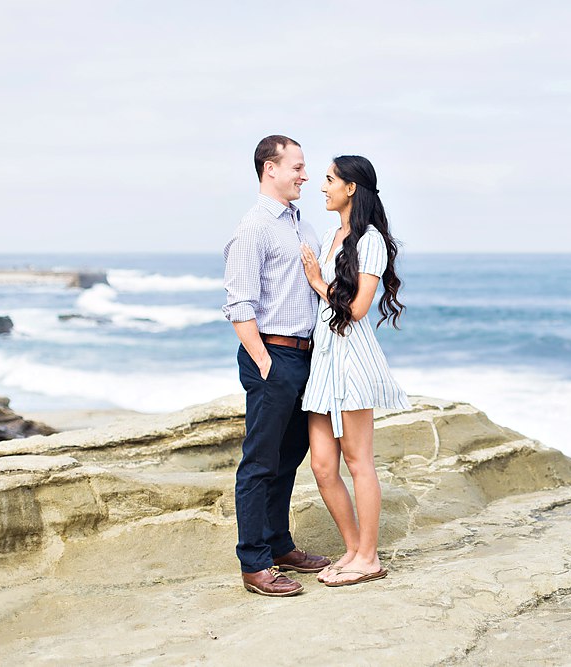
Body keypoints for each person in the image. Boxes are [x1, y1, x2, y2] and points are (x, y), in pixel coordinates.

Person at [222, 135, 332, 597]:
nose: (305, 175)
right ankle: (254, 562)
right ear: (270, 168)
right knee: (259, 462)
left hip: (304, 355)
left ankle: (280, 544)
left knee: (289, 458)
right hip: (272, 354)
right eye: (297, 167)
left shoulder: (300, 225)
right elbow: (239, 304)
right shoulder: (255, 227)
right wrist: (266, 362)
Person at [299, 155, 410, 587]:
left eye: (328, 180)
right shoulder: (331, 234)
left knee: (358, 460)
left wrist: (316, 282)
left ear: (351, 188)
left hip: (352, 357)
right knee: (323, 466)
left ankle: (369, 557)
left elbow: (359, 308)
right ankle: (352, 549)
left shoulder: (371, 241)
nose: (321, 186)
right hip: (324, 359)